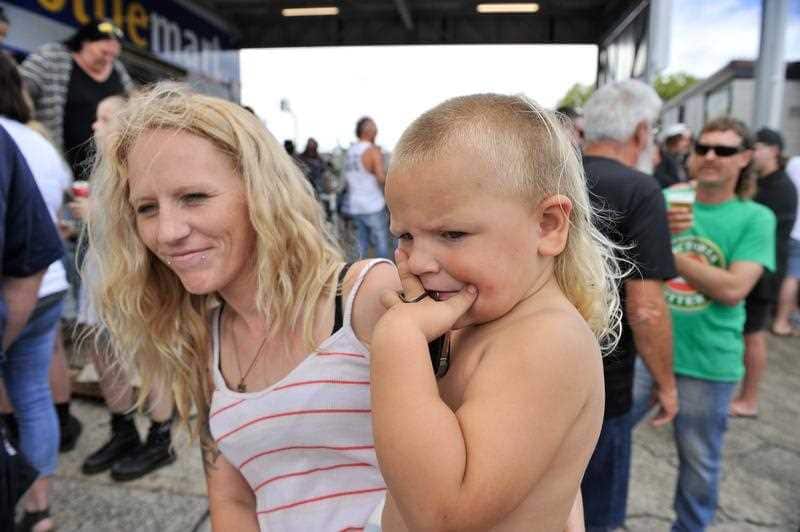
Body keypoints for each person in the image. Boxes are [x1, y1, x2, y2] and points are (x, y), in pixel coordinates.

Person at [84, 83, 400, 529]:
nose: (168, 231)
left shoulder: (365, 298)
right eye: (146, 208)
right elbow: (232, 502)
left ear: (261, 192)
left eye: (194, 197)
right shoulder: (203, 341)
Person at [370, 93, 616, 531]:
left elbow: (444, 516)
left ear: (548, 226)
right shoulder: (479, 317)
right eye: (405, 235)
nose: (420, 261)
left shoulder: (547, 340)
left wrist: (398, 344)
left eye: (452, 233)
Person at [633, 117, 775, 531]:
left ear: (745, 158)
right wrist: (656, 228)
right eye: (703, 148)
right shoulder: (665, 199)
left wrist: (665, 248)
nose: (710, 156)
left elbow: (732, 288)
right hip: (650, 350)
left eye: (725, 150)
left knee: (699, 466)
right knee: (608, 437)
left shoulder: (756, 217)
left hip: (709, 361)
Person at [578, 79, 678, 531]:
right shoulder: (640, 189)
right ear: (641, 131)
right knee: (598, 515)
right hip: (604, 383)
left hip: (532, 365)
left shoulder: (549, 178)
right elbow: (645, 307)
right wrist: (666, 383)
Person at [68, 93, 179, 482]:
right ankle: (123, 428)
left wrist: (96, 214)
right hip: (98, 279)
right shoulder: (100, 170)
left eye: (105, 118)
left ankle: (162, 436)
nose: (96, 126)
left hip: (133, 279)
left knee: (149, 355)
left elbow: (148, 217)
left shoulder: (141, 166)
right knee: (103, 354)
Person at [0, 51, 72, 532]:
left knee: (18, 391)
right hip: (48, 283)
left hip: (18, 286)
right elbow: (65, 193)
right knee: (31, 391)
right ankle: (38, 506)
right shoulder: (37, 141)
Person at [729, 128, 797, 417]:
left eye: (758, 147)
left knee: (753, 335)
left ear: (775, 151)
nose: (753, 153)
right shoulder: (761, 182)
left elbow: (764, 233)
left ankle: (749, 399)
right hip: (753, 267)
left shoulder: (780, 188)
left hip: (765, 273)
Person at [19, 19, 133, 179]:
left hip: (102, 172)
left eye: (114, 52)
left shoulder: (119, 71)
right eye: (105, 47)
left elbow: (133, 110)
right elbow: (18, 91)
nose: (111, 53)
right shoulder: (53, 57)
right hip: (52, 163)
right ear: (85, 41)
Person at [341, 116, 391, 259]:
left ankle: (357, 275)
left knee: (360, 244)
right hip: (372, 204)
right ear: (368, 131)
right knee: (381, 241)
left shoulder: (351, 151)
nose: (377, 132)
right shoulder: (371, 151)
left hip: (355, 205)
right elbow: (381, 178)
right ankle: (385, 274)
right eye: (375, 128)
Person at [773, 155, 800, 335]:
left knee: (789, 275)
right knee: (793, 276)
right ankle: (781, 321)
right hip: (798, 232)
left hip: (790, 227)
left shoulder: (794, 163)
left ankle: (787, 316)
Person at [654, 123, 692, 188]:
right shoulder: (662, 158)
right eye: (684, 140)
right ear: (673, 140)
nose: (687, 143)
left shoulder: (681, 159)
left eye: (689, 140)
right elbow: (660, 180)